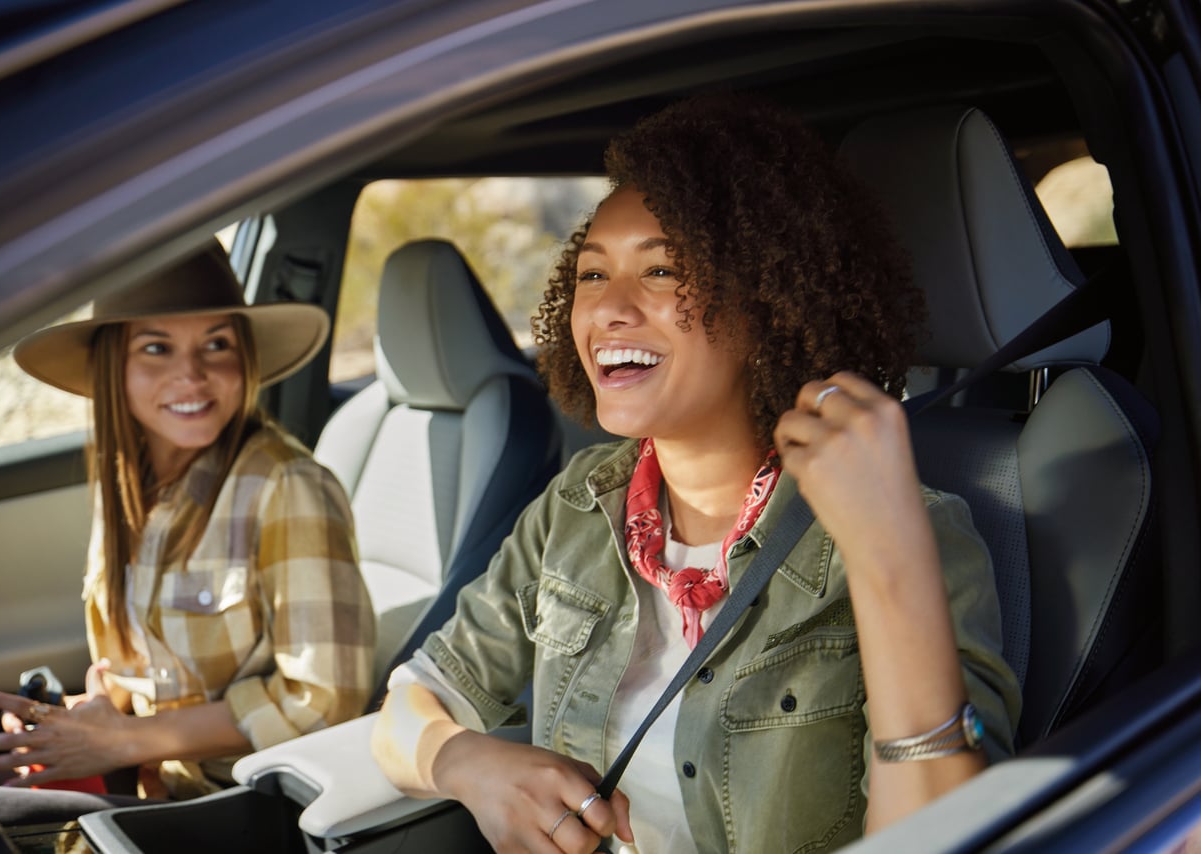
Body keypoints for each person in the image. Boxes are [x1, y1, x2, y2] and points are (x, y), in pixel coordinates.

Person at [370, 94, 1022, 853]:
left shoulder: (911, 531)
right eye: (590, 274)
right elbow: (409, 706)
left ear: (770, 301)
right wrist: (465, 762)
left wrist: (888, 557)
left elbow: (938, 836)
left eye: (663, 269)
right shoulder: (579, 506)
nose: (608, 309)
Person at [0, 242, 375, 820]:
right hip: (158, 789)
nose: (192, 374)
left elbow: (324, 703)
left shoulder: (288, 487)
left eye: (217, 344)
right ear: (113, 367)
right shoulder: (132, 488)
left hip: (244, 806)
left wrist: (125, 742)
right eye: (157, 347)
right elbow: (154, 678)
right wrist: (77, 720)